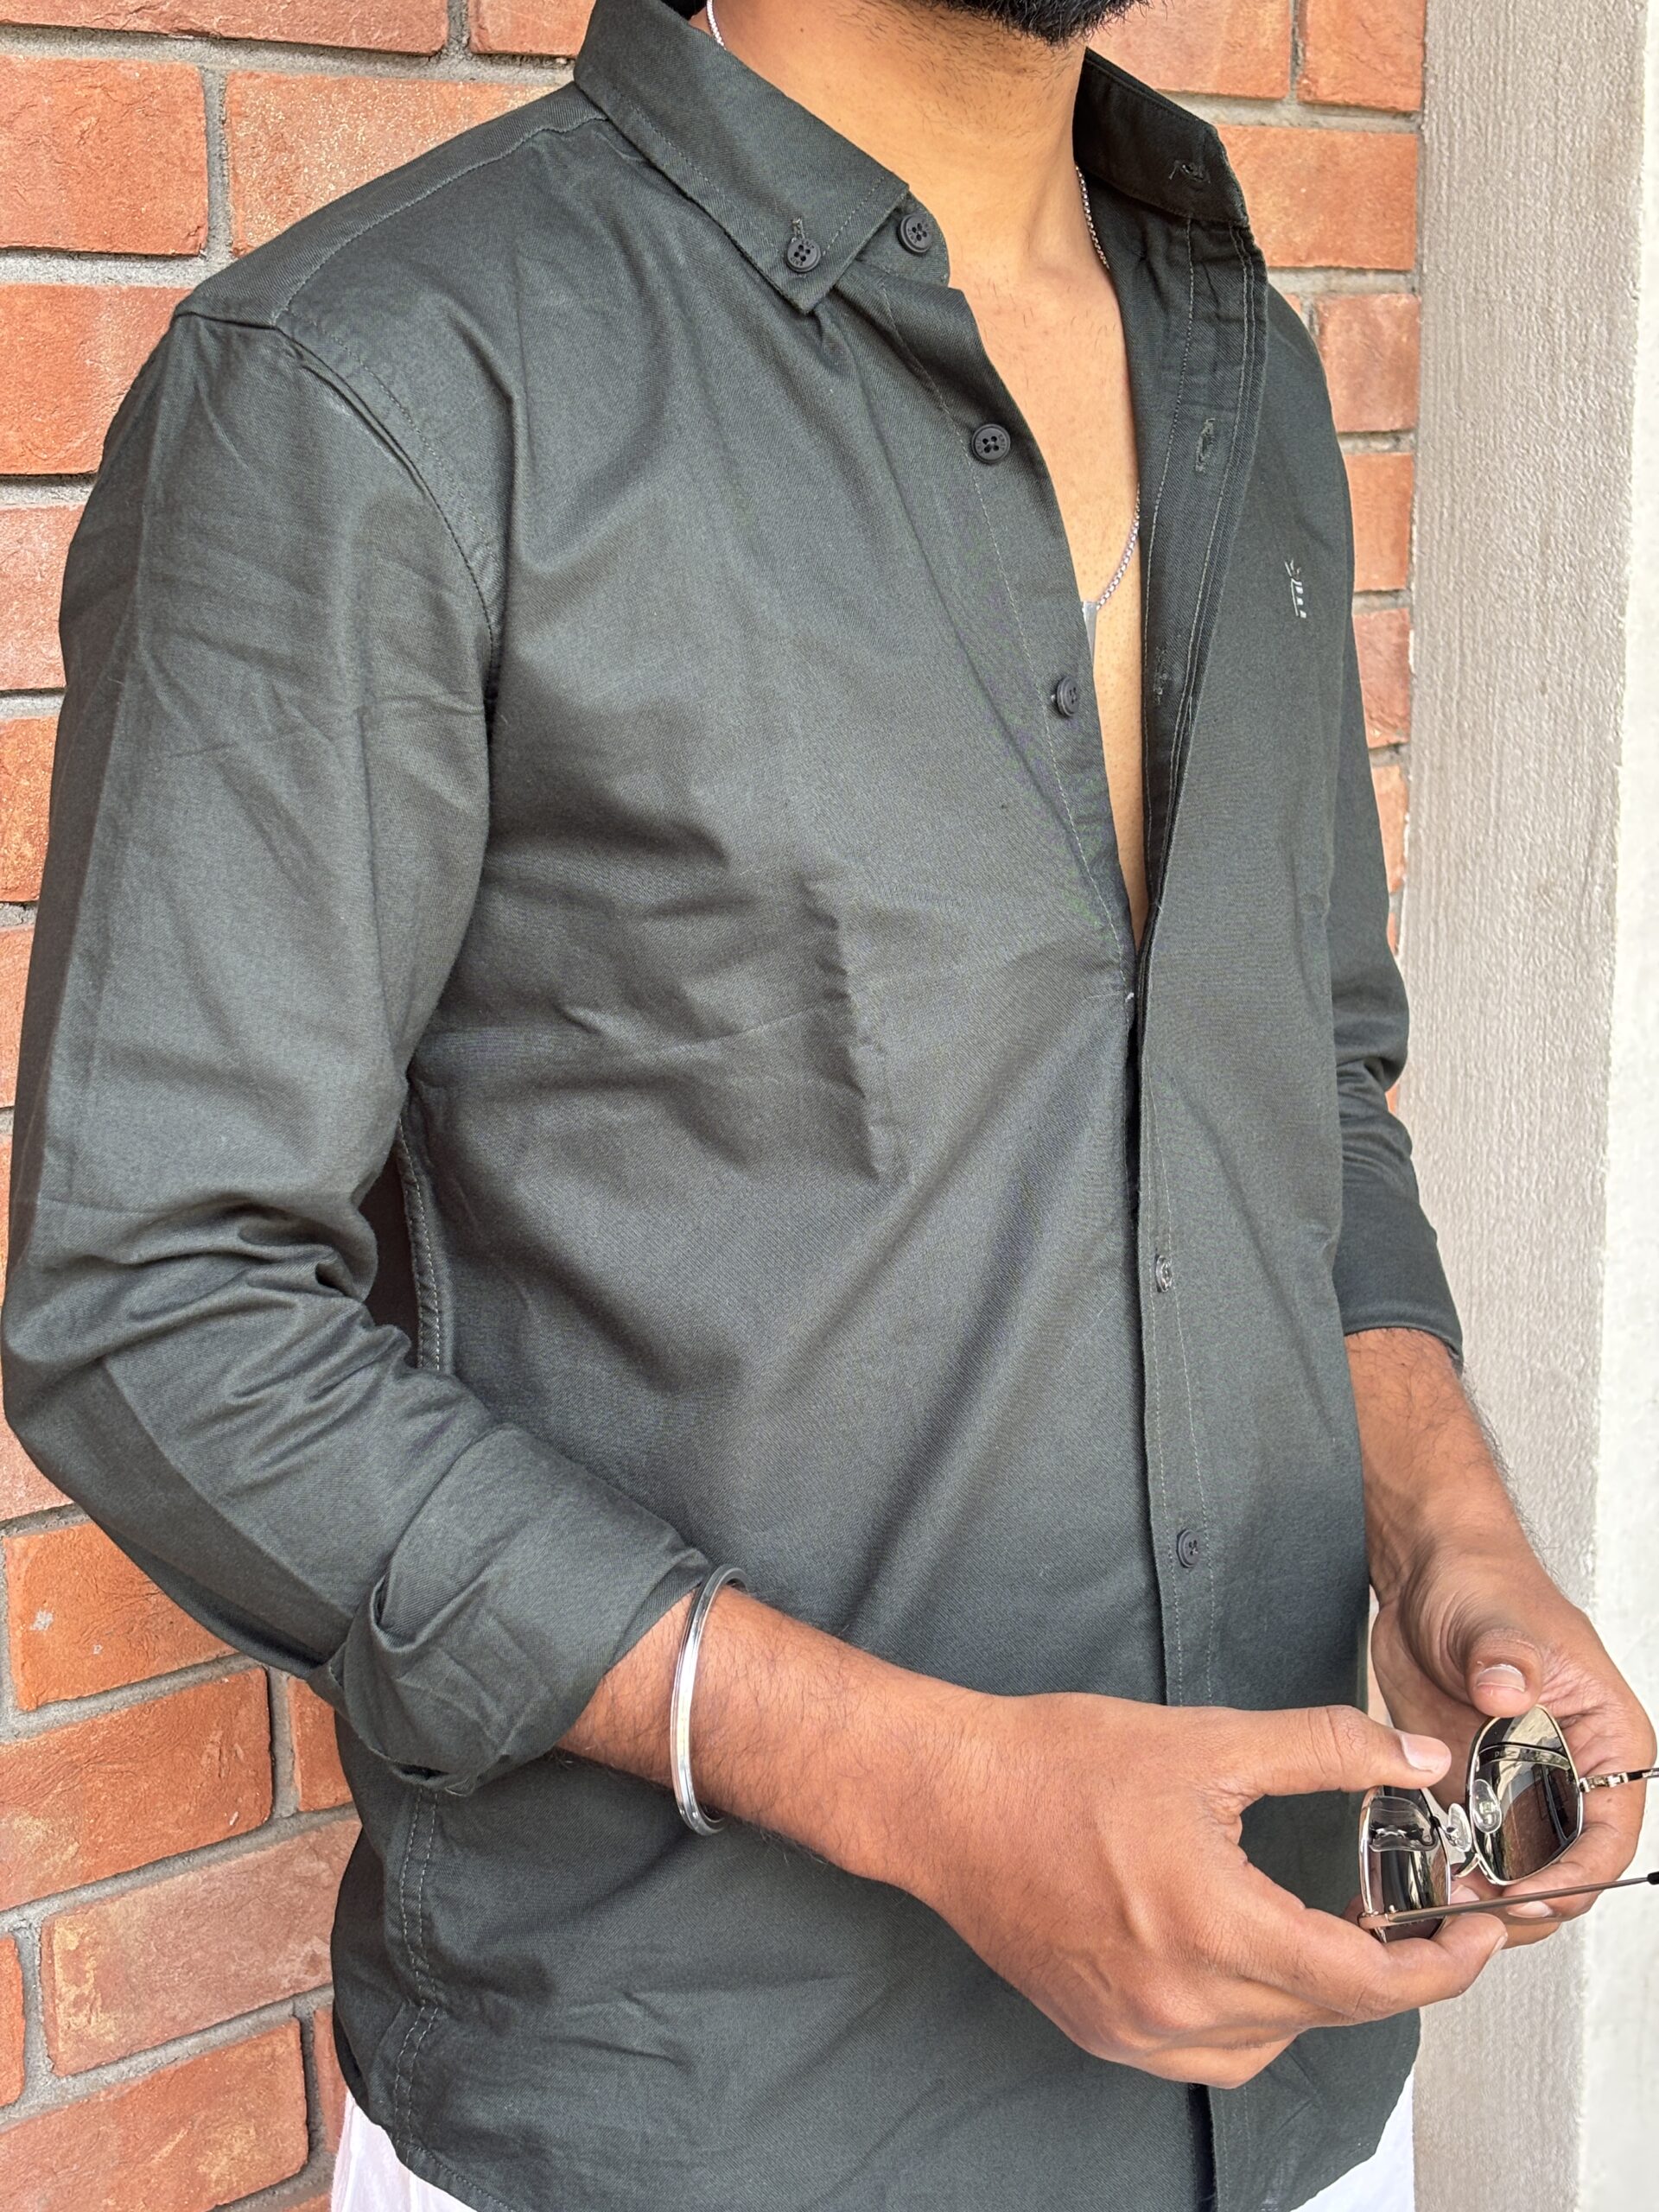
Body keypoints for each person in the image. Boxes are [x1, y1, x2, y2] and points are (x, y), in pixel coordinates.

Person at [3, 0, 1652, 2208]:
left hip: (1305, 2101)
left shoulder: (1239, 364)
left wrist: (1451, 1533)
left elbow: (1305, 1085)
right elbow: (160, 1306)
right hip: (700, 2124)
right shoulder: (379, 383)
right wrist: (927, 1784)